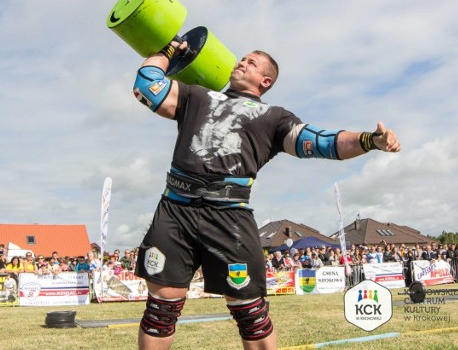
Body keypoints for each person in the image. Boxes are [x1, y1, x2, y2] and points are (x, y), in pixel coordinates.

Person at [132, 42, 401, 349]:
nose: (242, 62)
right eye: (242, 58)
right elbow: (146, 86)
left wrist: (370, 140)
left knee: (251, 313)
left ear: (266, 81)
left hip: (229, 215)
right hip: (175, 210)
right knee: (160, 310)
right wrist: (168, 51)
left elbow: (324, 142)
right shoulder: (197, 95)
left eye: (252, 62)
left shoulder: (273, 117)